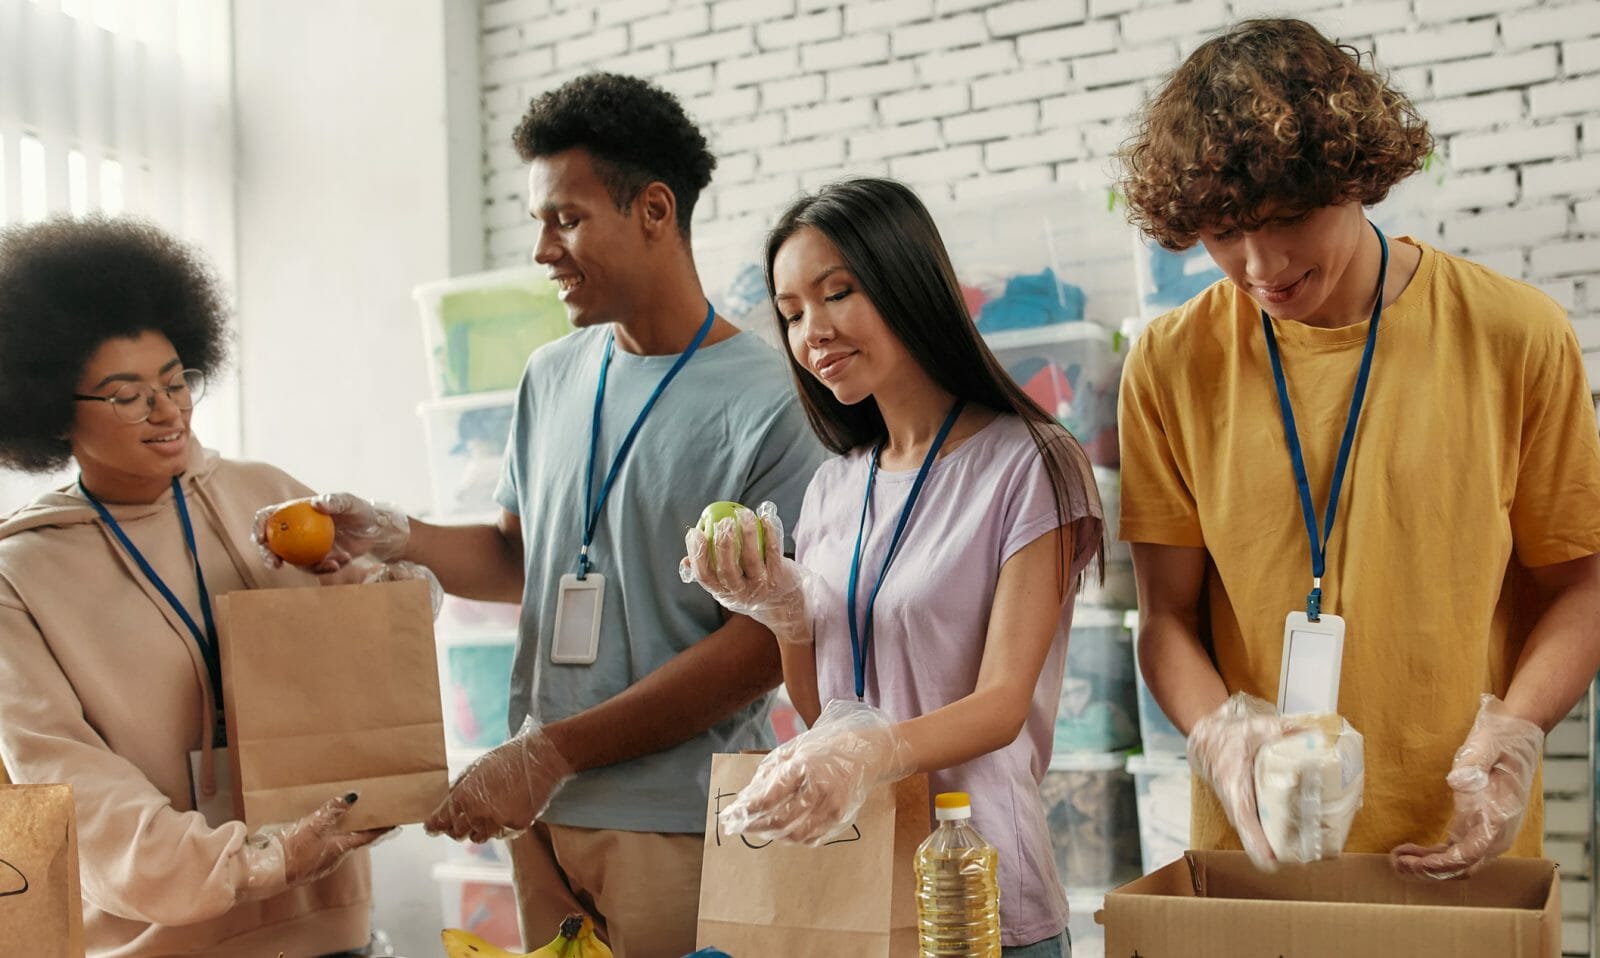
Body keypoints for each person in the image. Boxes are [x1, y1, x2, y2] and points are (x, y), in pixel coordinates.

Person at [256, 73, 826, 958]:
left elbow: (759, 650)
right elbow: (522, 555)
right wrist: (401, 534)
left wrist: (551, 753)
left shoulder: (777, 402)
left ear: (655, 210)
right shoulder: (552, 373)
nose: (542, 250)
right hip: (539, 820)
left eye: (565, 218)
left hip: (676, 820)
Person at [1115, 17, 1600, 878]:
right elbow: (1165, 620)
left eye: (1289, 217)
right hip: (1261, 852)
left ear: (1358, 176)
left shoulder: (1515, 336)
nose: (1261, 263)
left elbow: (1581, 586)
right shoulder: (1169, 363)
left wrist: (1516, 734)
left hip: (1455, 834)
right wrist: (1222, 735)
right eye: (1225, 231)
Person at [682, 177, 1103, 957]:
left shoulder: (1032, 462)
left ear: (906, 279)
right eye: (791, 312)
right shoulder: (834, 486)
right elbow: (824, 712)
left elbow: (1002, 704)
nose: (813, 330)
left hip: (980, 897)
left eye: (837, 292)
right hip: (858, 896)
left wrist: (871, 751)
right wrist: (784, 612)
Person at [0, 216, 385, 957]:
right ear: (50, 409)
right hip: (163, 944)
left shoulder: (271, 499)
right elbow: (67, 783)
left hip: (332, 929)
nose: (168, 409)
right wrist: (252, 861)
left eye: (177, 382)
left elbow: (371, 677)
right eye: (126, 394)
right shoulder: (21, 577)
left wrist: (374, 589)